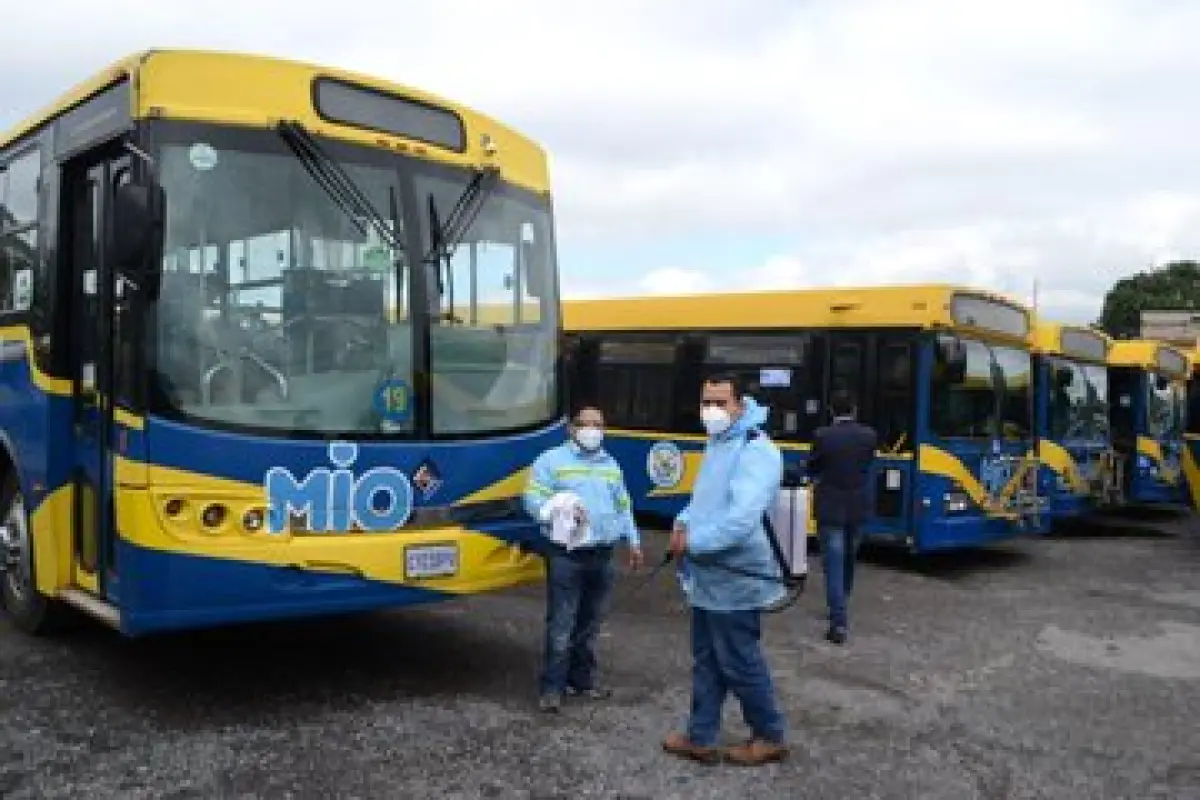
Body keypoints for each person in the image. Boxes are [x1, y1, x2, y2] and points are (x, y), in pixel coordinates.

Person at [660, 372, 789, 767]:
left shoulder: (755, 450)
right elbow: (705, 504)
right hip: (708, 577)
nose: (711, 410)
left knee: (739, 659)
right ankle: (701, 736)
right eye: (706, 402)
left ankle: (769, 734)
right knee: (707, 659)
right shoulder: (719, 443)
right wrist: (682, 523)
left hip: (736, 577)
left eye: (720, 402)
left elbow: (740, 520)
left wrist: (692, 542)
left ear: (740, 404)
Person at [523, 404, 644, 713]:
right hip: (566, 555)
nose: (592, 430)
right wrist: (557, 510)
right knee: (562, 623)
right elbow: (532, 499)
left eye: (598, 424)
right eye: (585, 424)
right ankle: (552, 688)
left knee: (591, 623)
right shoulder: (551, 462)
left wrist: (633, 541)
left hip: (602, 555)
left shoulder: (610, 465)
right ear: (572, 429)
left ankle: (582, 681)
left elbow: (623, 504)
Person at [806, 387, 878, 645]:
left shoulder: (823, 436)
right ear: (854, 410)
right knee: (849, 560)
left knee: (833, 565)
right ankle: (841, 604)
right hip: (857, 508)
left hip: (831, 508)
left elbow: (813, 466)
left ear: (830, 411)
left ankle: (838, 622)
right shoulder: (869, 436)